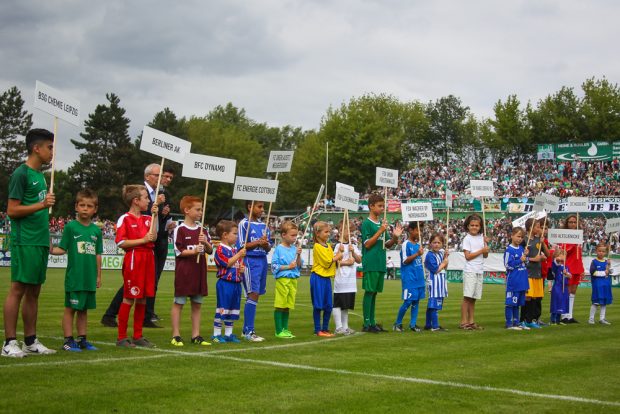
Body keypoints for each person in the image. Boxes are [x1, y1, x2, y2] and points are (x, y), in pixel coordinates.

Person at [2, 129, 57, 357]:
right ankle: (9, 342)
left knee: (34, 291)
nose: (52, 152)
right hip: (25, 240)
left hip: (40, 240)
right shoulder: (21, 174)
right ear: (37, 148)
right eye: (50, 147)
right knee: (18, 289)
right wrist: (42, 205)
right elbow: (12, 210)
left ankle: (30, 341)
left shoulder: (41, 176)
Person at [101, 164, 175, 328]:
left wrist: (164, 217)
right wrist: (152, 209)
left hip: (158, 241)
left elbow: (156, 221)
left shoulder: (163, 194)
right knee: (133, 283)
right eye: (159, 175)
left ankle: (147, 316)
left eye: (166, 176)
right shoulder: (139, 192)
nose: (163, 178)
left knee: (151, 281)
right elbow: (138, 217)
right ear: (148, 176)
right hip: (140, 247)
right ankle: (112, 314)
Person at [49, 189, 103, 351]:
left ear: (95, 209)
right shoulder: (71, 227)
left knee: (83, 310)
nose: (85, 208)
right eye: (82, 205)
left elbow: (97, 254)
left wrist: (98, 276)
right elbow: (62, 249)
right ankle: (68, 340)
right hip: (75, 277)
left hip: (89, 277)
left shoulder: (96, 231)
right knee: (71, 308)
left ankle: (82, 339)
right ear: (76, 207)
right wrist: (51, 250)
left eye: (89, 206)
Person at [115, 185, 158, 348]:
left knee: (143, 298)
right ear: (136, 200)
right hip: (134, 258)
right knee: (130, 296)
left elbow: (152, 237)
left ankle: (138, 335)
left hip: (148, 258)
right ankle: (121, 337)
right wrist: (143, 240)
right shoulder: (124, 219)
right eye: (146, 197)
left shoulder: (148, 219)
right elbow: (121, 242)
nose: (148, 200)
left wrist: (155, 215)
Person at [170, 196, 213, 347]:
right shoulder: (179, 230)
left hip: (199, 272)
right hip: (184, 272)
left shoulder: (203, 230)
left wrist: (205, 243)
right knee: (179, 303)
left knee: (197, 304)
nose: (201, 212)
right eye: (197, 209)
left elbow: (210, 250)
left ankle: (196, 335)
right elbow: (178, 251)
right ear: (187, 210)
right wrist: (194, 250)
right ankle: (176, 335)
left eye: (201, 209)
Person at [361, 193, 402, 332]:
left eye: (383, 206)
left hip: (380, 262)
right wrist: (380, 231)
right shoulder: (367, 223)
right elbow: (367, 244)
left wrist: (395, 237)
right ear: (371, 206)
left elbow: (388, 244)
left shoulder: (382, 224)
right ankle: (367, 323)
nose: (382, 208)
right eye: (379, 206)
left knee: (374, 293)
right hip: (371, 261)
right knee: (369, 291)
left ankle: (372, 322)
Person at [238, 200, 271, 342]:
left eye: (263, 206)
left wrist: (265, 244)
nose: (262, 209)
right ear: (250, 207)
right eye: (259, 206)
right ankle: (248, 331)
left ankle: (247, 329)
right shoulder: (244, 223)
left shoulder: (265, 226)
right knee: (253, 294)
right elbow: (241, 246)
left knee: (256, 294)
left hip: (262, 259)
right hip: (250, 261)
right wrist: (258, 242)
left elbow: (268, 248)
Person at [212, 220, 246, 344]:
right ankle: (216, 334)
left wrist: (241, 269)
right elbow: (226, 263)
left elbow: (236, 264)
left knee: (232, 309)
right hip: (225, 283)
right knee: (222, 308)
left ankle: (228, 334)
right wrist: (239, 255)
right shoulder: (220, 249)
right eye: (235, 233)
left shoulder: (233, 250)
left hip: (236, 283)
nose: (237, 236)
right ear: (225, 235)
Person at [311, 221, 344, 337]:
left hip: (326, 279)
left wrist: (339, 255)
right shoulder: (317, 246)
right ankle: (317, 329)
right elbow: (326, 262)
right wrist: (337, 257)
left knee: (328, 306)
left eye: (329, 231)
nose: (328, 234)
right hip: (318, 277)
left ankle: (325, 328)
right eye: (326, 232)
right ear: (317, 233)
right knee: (318, 305)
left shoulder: (329, 246)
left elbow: (333, 262)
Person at [270, 221, 302, 338]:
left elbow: (298, 265)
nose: (295, 238)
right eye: (292, 235)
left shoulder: (295, 249)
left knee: (287, 305)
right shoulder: (279, 249)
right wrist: (288, 266)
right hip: (283, 279)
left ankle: (285, 328)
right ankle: (278, 331)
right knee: (280, 305)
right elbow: (274, 266)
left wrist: (298, 255)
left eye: (296, 235)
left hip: (293, 280)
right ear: (283, 235)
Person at [393, 222, 425, 332]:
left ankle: (413, 324)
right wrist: (417, 254)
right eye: (417, 230)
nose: (419, 233)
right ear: (411, 230)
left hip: (419, 279)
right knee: (408, 302)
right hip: (409, 279)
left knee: (416, 302)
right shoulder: (406, 244)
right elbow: (405, 261)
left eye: (420, 230)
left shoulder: (418, 245)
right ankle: (397, 323)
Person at [460, 213, 489, 330]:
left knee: (473, 298)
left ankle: (471, 321)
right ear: (468, 226)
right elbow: (467, 256)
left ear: (480, 226)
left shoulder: (482, 238)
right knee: (467, 297)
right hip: (470, 270)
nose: (474, 227)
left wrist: (486, 245)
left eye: (476, 225)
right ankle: (463, 322)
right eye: (472, 225)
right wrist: (482, 250)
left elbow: (486, 255)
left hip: (479, 270)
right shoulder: (467, 239)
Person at [332, 220, 361, 335]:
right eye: (348, 230)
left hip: (351, 281)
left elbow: (359, 260)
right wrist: (346, 262)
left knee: (346, 305)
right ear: (340, 231)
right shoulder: (337, 246)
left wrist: (353, 253)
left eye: (352, 231)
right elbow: (334, 261)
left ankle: (345, 327)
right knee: (338, 303)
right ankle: (338, 327)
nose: (351, 233)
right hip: (341, 279)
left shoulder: (353, 245)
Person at [521, 218, 549, 328]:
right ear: (530, 228)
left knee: (534, 297)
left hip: (537, 273)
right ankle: (523, 319)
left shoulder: (539, 240)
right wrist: (534, 259)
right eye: (537, 226)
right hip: (528, 273)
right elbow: (521, 257)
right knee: (527, 297)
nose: (539, 229)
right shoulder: (524, 240)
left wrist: (543, 245)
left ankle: (530, 320)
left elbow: (547, 254)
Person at [503, 227, 529, 331]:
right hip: (513, 281)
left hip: (522, 281)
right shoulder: (509, 250)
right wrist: (520, 260)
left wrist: (526, 257)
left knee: (518, 304)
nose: (520, 239)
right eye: (518, 236)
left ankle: (516, 322)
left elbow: (526, 263)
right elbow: (507, 265)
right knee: (510, 303)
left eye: (522, 237)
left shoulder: (522, 249)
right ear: (512, 236)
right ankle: (509, 324)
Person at [560, 214, 584, 324]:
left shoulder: (579, 236)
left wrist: (582, 268)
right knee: (567, 290)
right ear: (567, 223)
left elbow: (580, 254)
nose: (573, 224)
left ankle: (570, 315)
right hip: (568, 266)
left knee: (573, 291)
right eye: (571, 222)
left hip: (577, 266)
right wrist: (571, 246)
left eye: (574, 222)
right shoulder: (564, 235)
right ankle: (564, 315)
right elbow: (563, 251)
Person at [424, 232, 449, 332]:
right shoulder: (430, 255)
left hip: (440, 282)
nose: (436, 244)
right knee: (434, 304)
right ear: (430, 243)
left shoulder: (441, 253)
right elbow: (435, 269)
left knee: (432, 304)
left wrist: (446, 257)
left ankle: (428, 324)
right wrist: (444, 262)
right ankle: (435, 325)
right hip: (434, 282)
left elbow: (445, 267)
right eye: (434, 242)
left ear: (442, 244)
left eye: (439, 242)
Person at [588, 242, 613, 325]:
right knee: (596, 302)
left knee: (604, 302)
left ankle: (602, 318)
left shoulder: (607, 261)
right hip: (597, 285)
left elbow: (610, 272)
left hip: (606, 284)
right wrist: (604, 272)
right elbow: (592, 272)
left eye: (603, 251)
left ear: (605, 252)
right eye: (599, 251)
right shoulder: (594, 262)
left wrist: (609, 266)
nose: (601, 253)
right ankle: (591, 319)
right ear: (596, 251)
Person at [549, 250, 570, 325]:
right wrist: (558, 258)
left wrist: (566, 273)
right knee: (556, 302)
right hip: (557, 286)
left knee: (562, 302)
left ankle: (558, 320)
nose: (563, 257)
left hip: (564, 287)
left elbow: (570, 276)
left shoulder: (566, 267)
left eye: (564, 255)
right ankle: (553, 319)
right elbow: (555, 262)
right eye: (561, 255)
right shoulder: (556, 266)